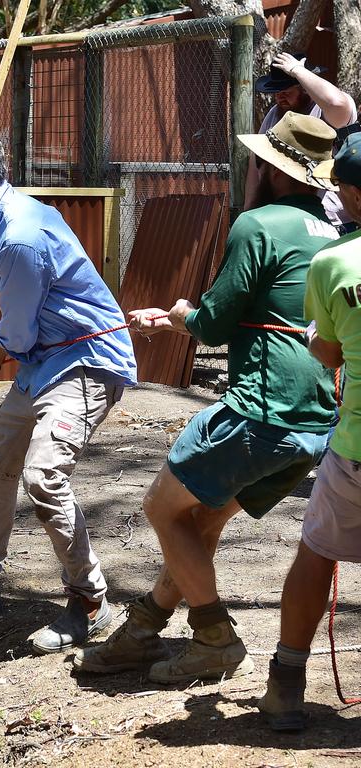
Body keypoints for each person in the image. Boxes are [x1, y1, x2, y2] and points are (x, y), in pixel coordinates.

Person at [74, 113, 339, 684]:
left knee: (161, 509)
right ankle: (142, 631)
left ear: (270, 166)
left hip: (262, 409)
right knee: (201, 521)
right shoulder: (332, 232)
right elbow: (275, 315)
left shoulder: (258, 223)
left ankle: (215, 638)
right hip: (315, 419)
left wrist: (182, 314)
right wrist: (176, 324)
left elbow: (216, 325)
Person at [0, 132, 137, 655]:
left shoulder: (18, 233)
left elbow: (15, 336)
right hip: (46, 363)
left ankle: (89, 601)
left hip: (87, 363)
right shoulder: (4, 218)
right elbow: (20, 332)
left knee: (43, 476)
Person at [256, 133, 361, 731]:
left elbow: (326, 351)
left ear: (348, 193)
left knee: (317, 553)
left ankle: (287, 684)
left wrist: (321, 339)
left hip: (353, 455)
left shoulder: (334, 263)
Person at [245, 52, 356, 229]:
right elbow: (257, 162)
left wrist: (298, 71)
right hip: (289, 217)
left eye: (287, 91)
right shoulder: (275, 114)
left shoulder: (323, 111)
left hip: (334, 222)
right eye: (277, 92)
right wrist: (249, 210)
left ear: (304, 87)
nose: (280, 97)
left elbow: (337, 104)